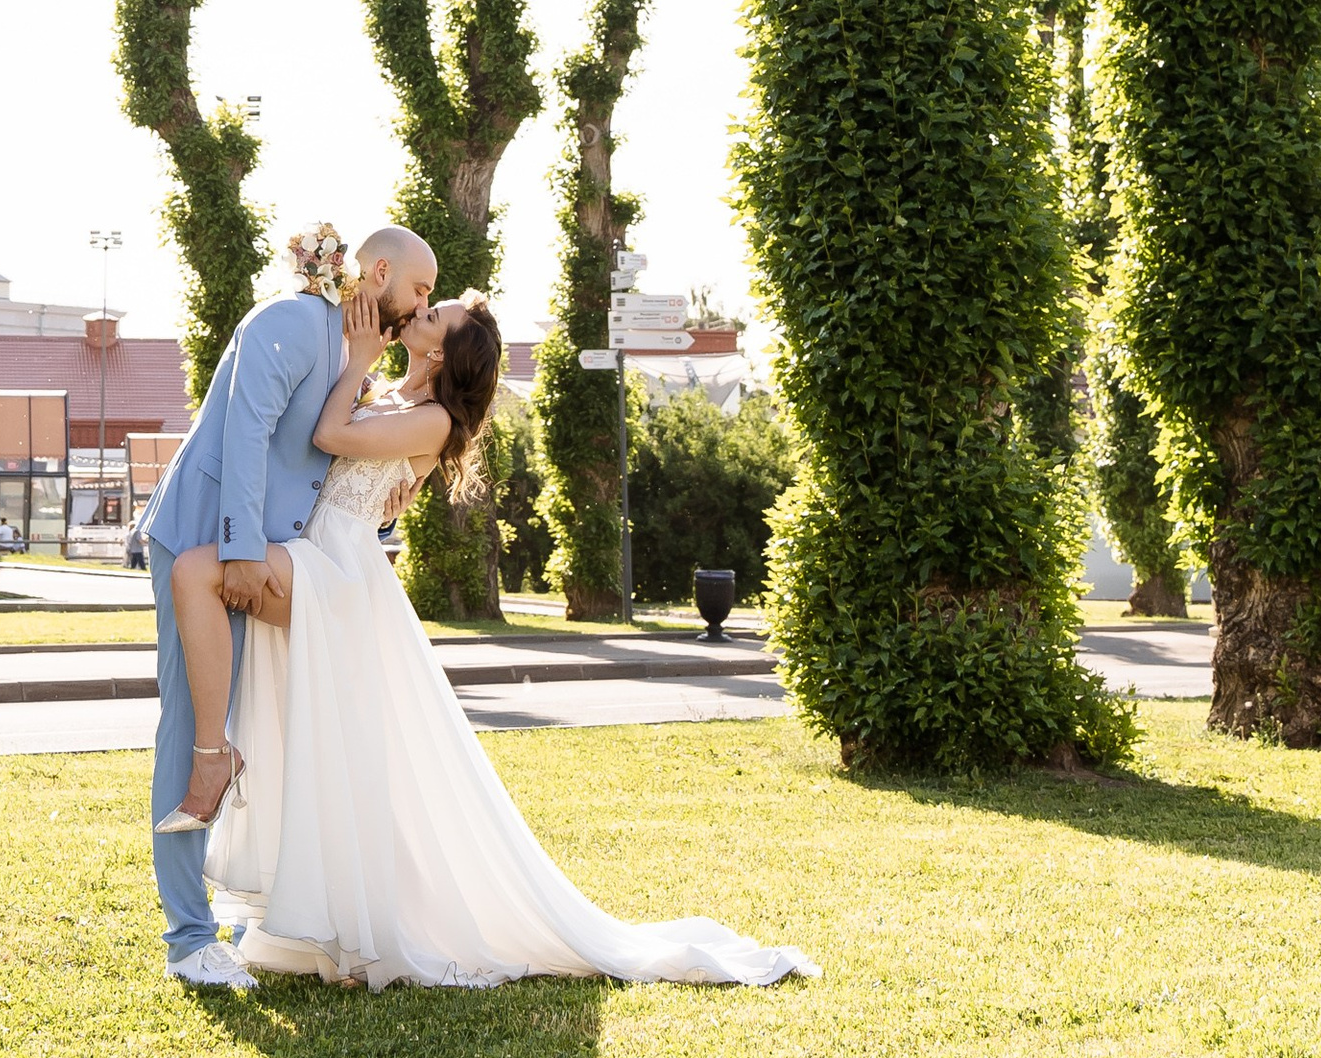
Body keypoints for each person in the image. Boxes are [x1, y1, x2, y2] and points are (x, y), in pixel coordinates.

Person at [204, 275, 817, 991]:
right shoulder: (397, 399)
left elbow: (330, 435)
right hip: (323, 558)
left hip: (338, 578)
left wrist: (361, 358)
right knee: (332, 746)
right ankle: (330, 919)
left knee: (338, 737)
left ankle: (358, 922)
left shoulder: (431, 417)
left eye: (432, 315)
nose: (417, 314)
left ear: (442, 354)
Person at [140, 225, 439, 989]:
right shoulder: (292, 322)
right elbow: (246, 435)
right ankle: (188, 939)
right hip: (207, 541)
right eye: (421, 289)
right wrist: (238, 548)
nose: (423, 303)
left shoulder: (354, 357)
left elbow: (325, 463)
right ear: (378, 272)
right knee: (194, 729)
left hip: (270, 563)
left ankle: (255, 909)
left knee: (250, 728)